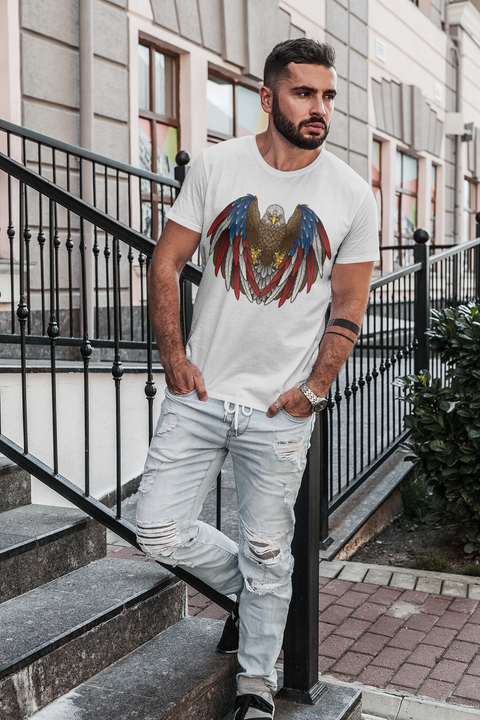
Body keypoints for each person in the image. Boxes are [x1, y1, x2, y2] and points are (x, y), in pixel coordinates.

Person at [136, 38, 379, 720]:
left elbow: (349, 307)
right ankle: (254, 592)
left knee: (271, 548)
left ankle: (255, 688)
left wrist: (314, 391)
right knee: (156, 529)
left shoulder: (352, 194)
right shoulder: (216, 166)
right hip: (201, 392)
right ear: (267, 97)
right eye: (304, 93)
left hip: (280, 409)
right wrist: (173, 358)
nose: (319, 108)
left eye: (328, 96)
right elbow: (165, 264)